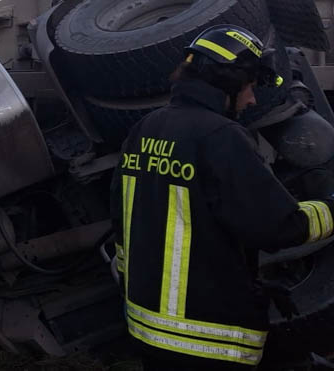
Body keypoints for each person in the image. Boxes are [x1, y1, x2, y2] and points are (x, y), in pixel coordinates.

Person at [111, 24, 334, 369]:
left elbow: (124, 220)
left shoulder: (147, 128)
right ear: (229, 83)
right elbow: (278, 226)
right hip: (207, 340)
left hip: (148, 330)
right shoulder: (221, 136)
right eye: (249, 87)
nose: (252, 99)